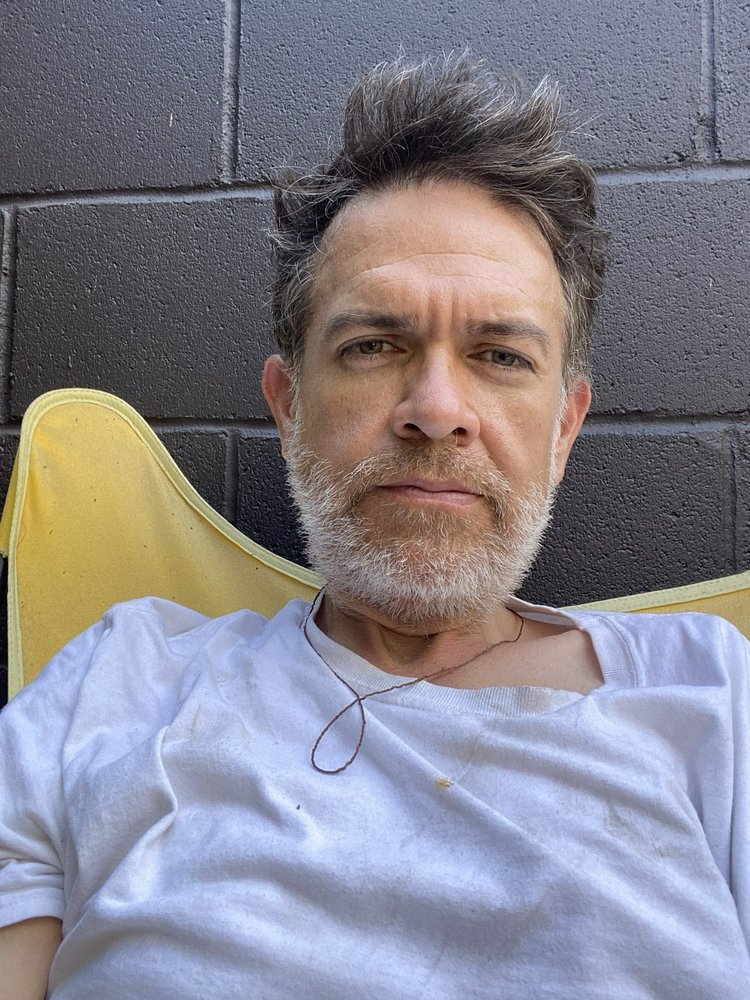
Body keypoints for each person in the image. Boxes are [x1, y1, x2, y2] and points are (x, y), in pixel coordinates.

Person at [1, 54, 749, 1000]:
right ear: (289, 407)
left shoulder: (716, 698)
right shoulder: (117, 687)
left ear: (564, 428)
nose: (436, 410)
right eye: (372, 346)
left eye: (500, 356)